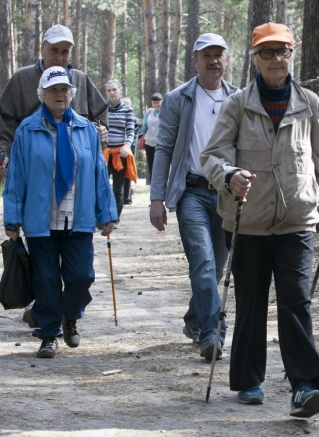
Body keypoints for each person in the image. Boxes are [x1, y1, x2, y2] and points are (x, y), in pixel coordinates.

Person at [201, 22, 319, 418]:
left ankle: (305, 386)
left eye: (283, 52)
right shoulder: (238, 104)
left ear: (291, 55)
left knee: (297, 302)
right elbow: (211, 156)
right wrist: (228, 176)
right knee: (251, 303)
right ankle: (248, 380)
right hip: (248, 223)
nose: (276, 59)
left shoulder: (309, 102)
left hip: (297, 220)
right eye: (267, 52)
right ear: (255, 59)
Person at [3, 67, 118, 358]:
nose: (60, 94)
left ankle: (70, 315)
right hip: (40, 219)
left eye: (64, 89)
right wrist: (12, 218)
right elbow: (16, 177)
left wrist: (106, 213)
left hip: (77, 217)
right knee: (46, 280)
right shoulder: (27, 130)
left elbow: (98, 173)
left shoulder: (86, 130)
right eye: (53, 90)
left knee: (81, 277)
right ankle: (49, 334)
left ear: (72, 94)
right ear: (42, 94)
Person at [149, 33, 238, 360]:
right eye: (207, 55)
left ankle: (194, 319)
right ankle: (212, 333)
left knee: (214, 270)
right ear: (195, 60)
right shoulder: (178, 98)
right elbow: (164, 150)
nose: (214, 60)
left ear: (227, 59)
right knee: (202, 264)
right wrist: (157, 198)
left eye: (219, 54)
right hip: (192, 193)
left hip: (227, 194)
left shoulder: (239, 98)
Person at [0, 24, 108, 178]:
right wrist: (2, 153)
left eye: (65, 52)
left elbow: (100, 117)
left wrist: (99, 130)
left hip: (76, 172)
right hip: (32, 171)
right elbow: (4, 122)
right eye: (54, 50)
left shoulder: (80, 80)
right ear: (42, 48)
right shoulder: (21, 80)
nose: (59, 57)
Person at [102, 79, 137, 225]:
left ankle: (115, 217)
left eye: (114, 89)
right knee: (102, 185)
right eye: (109, 90)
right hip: (105, 152)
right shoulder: (103, 108)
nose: (112, 93)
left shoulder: (127, 110)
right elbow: (99, 127)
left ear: (119, 91)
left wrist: (127, 146)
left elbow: (130, 131)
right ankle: (102, 217)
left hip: (120, 153)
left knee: (118, 188)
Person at [139, 92, 163, 185]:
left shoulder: (165, 112)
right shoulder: (149, 112)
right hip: (149, 143)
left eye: (158, 102)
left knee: (161, 166)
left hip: (161, 144)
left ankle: (162, 186)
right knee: (151, 166)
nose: (156, 105)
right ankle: (154, 187)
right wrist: (140, 125)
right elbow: (144, 127)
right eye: (154, 103)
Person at [121, 97, 140, 205]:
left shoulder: (132, 117)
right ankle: (123, 195)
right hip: (118, 147)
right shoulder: (119, 115)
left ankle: (127, 196)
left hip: (129, 147)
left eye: (128, 104)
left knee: (128, 172)